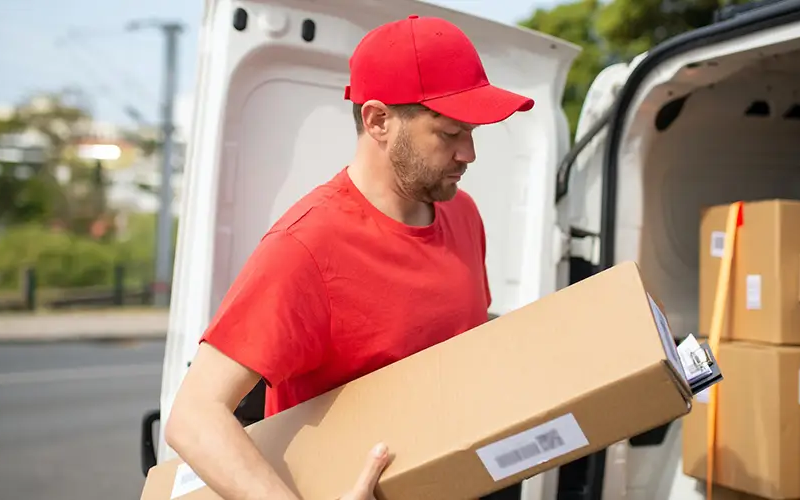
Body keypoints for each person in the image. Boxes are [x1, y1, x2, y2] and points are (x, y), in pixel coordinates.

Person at [164, 14, 535, 500]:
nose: (469, 153)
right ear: (378, 121)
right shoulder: (307, 246)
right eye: (449, 134)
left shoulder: (461, 213)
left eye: (471, 132)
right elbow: (193, 417)